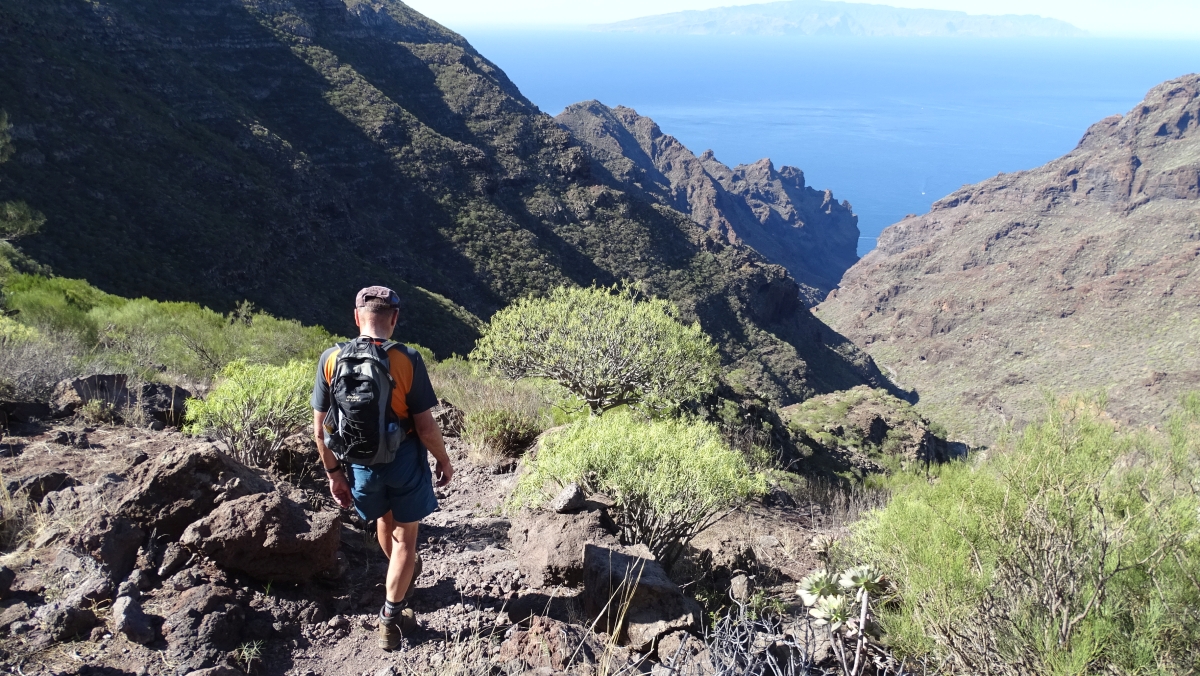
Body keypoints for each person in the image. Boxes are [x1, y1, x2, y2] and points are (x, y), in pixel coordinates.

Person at [310, 285, 454, 651]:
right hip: (403, 458)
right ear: (394, 318)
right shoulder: (407, 358)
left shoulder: (331, 359)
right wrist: (443, 459)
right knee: (407, 539)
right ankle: (391, 618)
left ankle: (400, 574)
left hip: (359, 464)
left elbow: (320, 430)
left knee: (383, 524)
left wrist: (334, 474)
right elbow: (424, 426)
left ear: (357, 317)